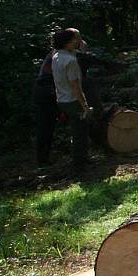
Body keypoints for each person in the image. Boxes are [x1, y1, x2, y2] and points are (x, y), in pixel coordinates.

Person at [50, 28, 92, 170]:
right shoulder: (70, 60)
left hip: (61, 100)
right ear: (66, 43)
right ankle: (80, 164)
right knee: (80, 133)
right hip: (73, 100)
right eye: (74, 39)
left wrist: (80, 42)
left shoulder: (56, 55)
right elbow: (75, 86)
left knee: (76, 130)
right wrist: (84, 105)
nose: (77, 41)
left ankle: (80, 160)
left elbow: (81, 48)